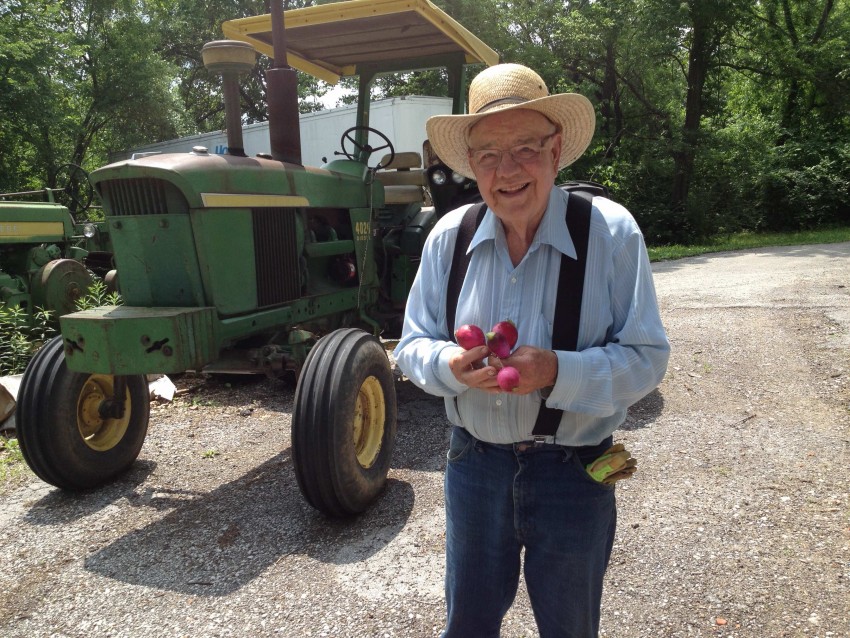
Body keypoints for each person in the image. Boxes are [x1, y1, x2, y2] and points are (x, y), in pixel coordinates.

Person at [393, 62, 670, 637]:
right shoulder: (450, 237)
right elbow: (411, 344)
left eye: (525, 147)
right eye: (489, 154)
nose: (508, 169)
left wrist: (557, 370)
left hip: (575, 470)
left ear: (556, 148)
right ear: (471, 165)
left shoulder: (611, 233)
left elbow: (648, 357)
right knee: (467, 626)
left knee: (569, 628)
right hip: (475, 465)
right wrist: (449, 366)